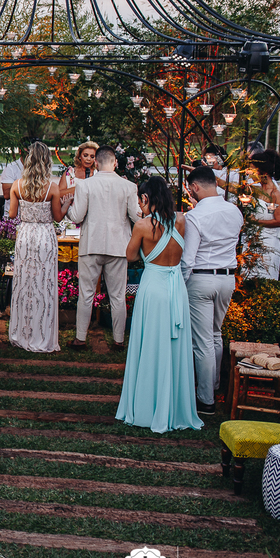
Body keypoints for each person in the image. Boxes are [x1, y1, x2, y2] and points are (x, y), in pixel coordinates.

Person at [116, 177, 203, 433]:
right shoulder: (182, 220)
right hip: (176, 288)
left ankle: (147, 404)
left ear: (145, 198)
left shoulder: (143, 225)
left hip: (153, 287)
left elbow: (130, 255)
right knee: (174, 346)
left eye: (140, 200)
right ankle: (173, 406)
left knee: (150, 343)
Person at [182, 165, 244, 415]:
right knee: (216, 334)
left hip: (201, 279)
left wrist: (180, 284)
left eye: (189, 189)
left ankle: (206, 399)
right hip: (227, 279)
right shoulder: (235, 211)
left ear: (195, 187)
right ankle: (215, 385)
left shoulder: (195, 216)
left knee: (203, 341)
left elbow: (188, 259)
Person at [65, 145, 139, 350]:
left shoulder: (85, 185)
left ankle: (80, 339)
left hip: (91, 244)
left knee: (86, 294)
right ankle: (118, 340)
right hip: (118, 246)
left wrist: (67, 208)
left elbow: (77, 217)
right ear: (115, 163)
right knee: (117, 296)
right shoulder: (129, 187)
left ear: (96, 163)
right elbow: (136, 217)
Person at [8, 141, 68, 353]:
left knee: (24, 284)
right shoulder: (52, 187)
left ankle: (21, 333)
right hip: (44, 237)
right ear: (46, 161)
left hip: (25, 236)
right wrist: (67, 203)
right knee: (44, 285)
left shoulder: (17, 185)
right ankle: (41, 334)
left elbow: (12, 214)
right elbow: (58, 217)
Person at [243, 149, 280, 280]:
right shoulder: (257, 189)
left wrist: (255, 221)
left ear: (263, 172)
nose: (248, 172)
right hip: (252, 241)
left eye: (252, 169)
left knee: (264, 278)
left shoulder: (275, 193)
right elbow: (232, 188)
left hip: (268, 244)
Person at [0, 137, 35, 217]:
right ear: (20, 151)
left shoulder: (41, 169)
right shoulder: (11, 168)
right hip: (15, 216)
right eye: (28, 151)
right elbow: (6, 195)